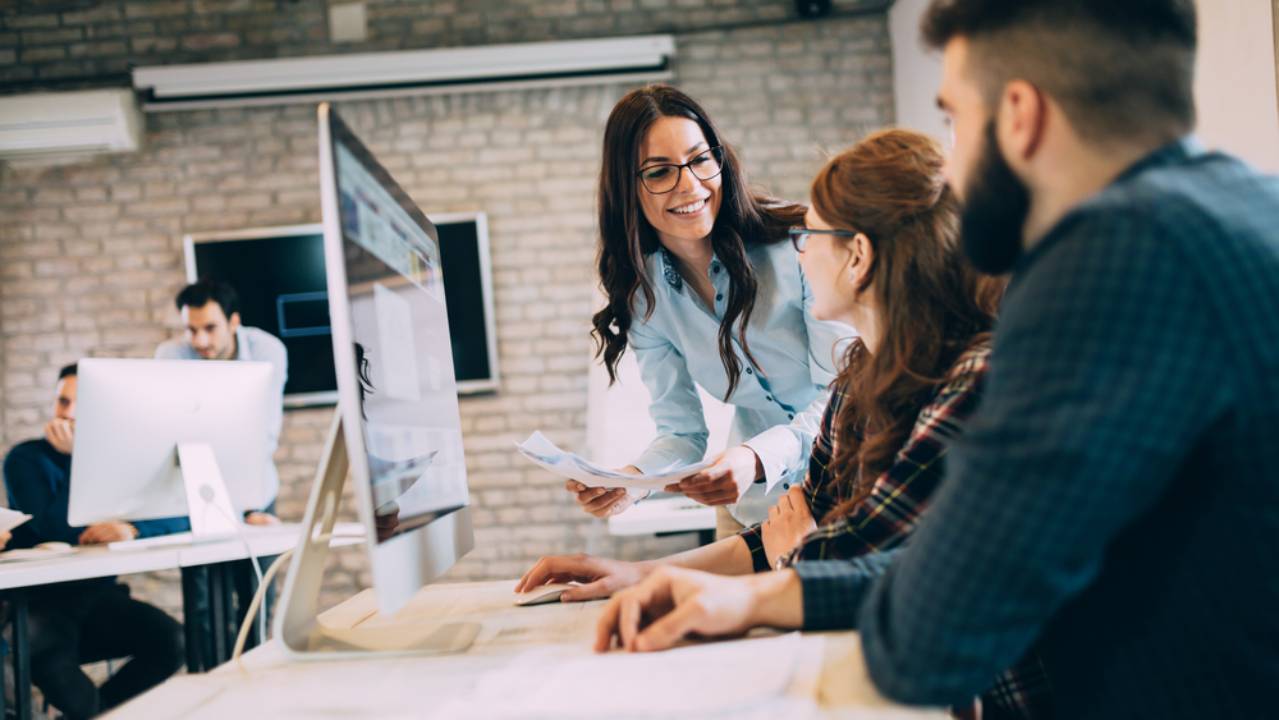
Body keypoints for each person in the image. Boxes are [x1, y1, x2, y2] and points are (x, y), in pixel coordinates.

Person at [593, 1, 1279, 717]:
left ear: (1019, 114)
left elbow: (931, 628)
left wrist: (793, 566)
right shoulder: (1245, 213)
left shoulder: (1099, 273)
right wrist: (762, 589)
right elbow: (974, 564)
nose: (946, 166)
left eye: (953, 120)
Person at [523, 130, 1041, 715]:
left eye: (809, 236)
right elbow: (807, 533)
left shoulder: (973, 381)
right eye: (659, 171)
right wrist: (636, 572)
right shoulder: (858, 382)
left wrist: (797, 553)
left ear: (859, 257)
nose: (799, 250)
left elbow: (857, 558)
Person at [574, 84, 846, 534]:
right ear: (627, 188)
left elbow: (841, 398)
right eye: (659, 172)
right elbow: (682, 432)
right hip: (754, 513)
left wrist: (756, 458)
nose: (691, 186)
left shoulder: (799, 245)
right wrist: (632, 482)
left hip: (849, 493)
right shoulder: (645, 299)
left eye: (701, 160)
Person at [3, 364, 184, 719]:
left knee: (173, 641)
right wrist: (78, 459)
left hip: (97, 601)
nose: (66, 412)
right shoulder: (26, 459)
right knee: (82, 703)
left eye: (77, 403)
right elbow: (57, 528)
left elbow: (178, 515)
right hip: (41, 609)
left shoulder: (119, 461)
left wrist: (133, 530)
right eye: (62, 401)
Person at [155, 278, 287, 524]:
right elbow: (168, 431)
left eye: (210, 328)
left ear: (234, 322)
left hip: (253, 490)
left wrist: (244, 508)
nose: (200, 341)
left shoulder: (267, 351)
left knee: (265, 561)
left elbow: (265, 433)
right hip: (193, 492)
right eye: (191, 330)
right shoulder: (171, 356)